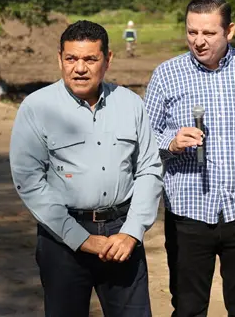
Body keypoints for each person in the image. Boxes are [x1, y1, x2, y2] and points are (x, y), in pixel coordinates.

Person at [9, 20, 163, 317]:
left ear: (107, 60)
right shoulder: (36, 107)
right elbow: (29, 181)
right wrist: (80, 238)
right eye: (71, 59)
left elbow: (148, 168)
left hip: (122, 237)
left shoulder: (130, 103)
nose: (80, 68)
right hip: (62, 239)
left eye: (90, 59)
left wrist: (132, 232)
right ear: (60, 59)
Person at [144, 0, 235, 316]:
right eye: (192, 33)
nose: (199, 42)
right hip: (188, 214)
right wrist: (171, 142)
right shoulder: (166, 74)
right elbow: (143, 137)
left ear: (229, 31)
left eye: (208, 33)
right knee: (188, 308)